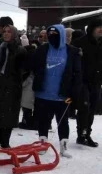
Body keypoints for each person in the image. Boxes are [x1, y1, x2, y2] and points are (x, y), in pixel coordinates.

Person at [30, 24, 82, 158]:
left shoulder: (72, 51)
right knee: (43, 120)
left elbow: (77, 73)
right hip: (43, 93)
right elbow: (33, 66)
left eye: (55, 35)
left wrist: (74, 93)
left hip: (63, 94)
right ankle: (42, 143)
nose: (52, 38)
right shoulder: (43, 49)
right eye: (50, 35)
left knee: (63, 121)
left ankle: (63, 146)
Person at [0, 26, 29, 149]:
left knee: (8, 113)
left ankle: (5, 141)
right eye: (4, 32)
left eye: (9, 32)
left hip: (11, 85)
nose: (6, 34)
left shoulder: (19, 50)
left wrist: (16, 80)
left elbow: (25, 69)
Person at [71, 19, 102, 148]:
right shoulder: (80, 43)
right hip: (82, 81)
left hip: (96, 81)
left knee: (92, 109)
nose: (101, 30)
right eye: (98, 27)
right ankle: (81, 135)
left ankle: (87, 133)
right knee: (85, 107)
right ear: (92, 28)